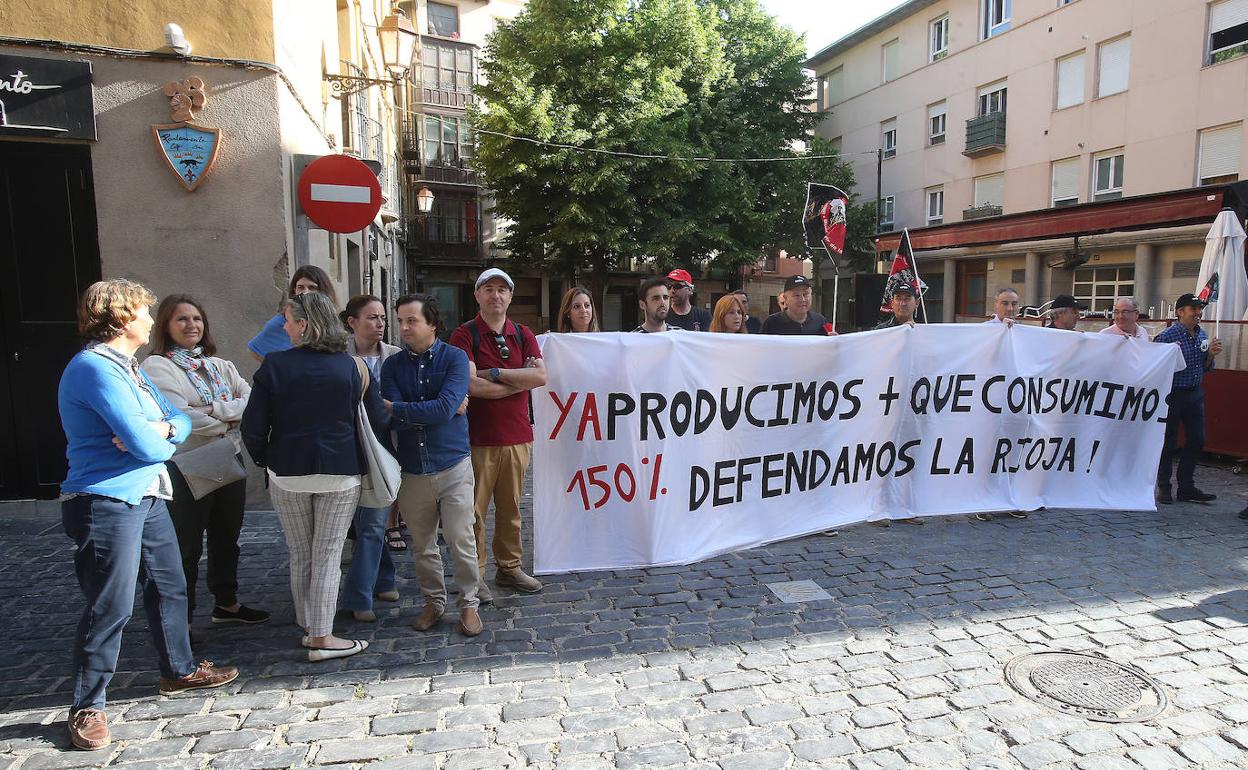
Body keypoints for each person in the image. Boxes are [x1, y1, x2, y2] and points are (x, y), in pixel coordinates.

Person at [59, 280, 239, 751]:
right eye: (143, 311)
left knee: (170, 583)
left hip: (149, 493)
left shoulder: (131, 369)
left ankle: (178, 671)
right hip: (105, 500)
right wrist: (156, 434)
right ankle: (87, 706)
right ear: (119, 319)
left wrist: (159, 429)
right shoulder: (95, 369)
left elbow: (174, 422)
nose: (149, 319)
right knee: (109, 603)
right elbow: (147, 443)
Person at [241, 292, 388, 661]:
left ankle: (310, 624)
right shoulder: (354, 367)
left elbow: (253, 427)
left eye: (288, 320)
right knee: (327, 555)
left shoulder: (274, 365)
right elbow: (379, 421)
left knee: (301, 553)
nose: (285, 326)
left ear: (304, 325)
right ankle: (322, 635)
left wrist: (266, 461)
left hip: (287, 472)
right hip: (340, 472)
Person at [142, 295, 268, 628]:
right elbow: (179, 416)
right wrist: (228, 419)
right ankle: (180, 619)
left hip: (227, 458)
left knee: (227, 537)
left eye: (196, 319)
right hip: (188, 465)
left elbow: (250, 401)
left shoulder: (220, 366)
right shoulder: (157, 366)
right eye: (181, 319)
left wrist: (212, 411)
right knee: (187, 544)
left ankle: (226, 603)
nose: (191, 325)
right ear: (166, 326)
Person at [383, 294, 483, 636]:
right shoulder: (392, 366)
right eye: (400, 320)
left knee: (461, 539)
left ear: (432, 324)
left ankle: (469, 603)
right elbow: (390, 420)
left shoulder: (455, 358)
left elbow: (439, 409)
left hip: (453, 464)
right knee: (423, 545)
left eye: (411, 320)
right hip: (412, 469)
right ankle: (433, 602)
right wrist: (433, 408)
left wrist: (404, 408)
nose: (404, 327)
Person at [448, 268, 547, 598]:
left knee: (511, 508)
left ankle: (509, 567)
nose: (496, 295)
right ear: (477, 295)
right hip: (478, 438)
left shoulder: (523, 334)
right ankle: (474, 575)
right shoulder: (464, 336)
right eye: (488, 289)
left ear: (510, 296)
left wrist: (496, 374)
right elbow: (470, 385)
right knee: (473, 511)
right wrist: (518, 382)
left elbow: (541, 377)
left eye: (502, 290)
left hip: (518, 436)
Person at [338, 295, 402, 622]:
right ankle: (386, 577)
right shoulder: (337, 356)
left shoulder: (395, 356)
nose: (380, 324)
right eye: (372, 318)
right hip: (347, 448)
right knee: (362, 524)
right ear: (352, 322)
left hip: (385, 448)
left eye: (382, 318)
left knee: (374, 523)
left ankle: (358, 597)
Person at [1153, 293, 1223, 505]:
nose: (1198, 313)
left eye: (1199, 309)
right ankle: (1164, 486)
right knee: (1168, 441)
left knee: (1197, 439)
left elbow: (1204, 367)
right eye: (1193, 309)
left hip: (1194, 393)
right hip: (1173, 395)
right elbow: (1155, 366)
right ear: (1180, 312)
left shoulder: (1202, 335)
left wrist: (1210, 354)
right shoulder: (1167, 336)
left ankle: (1186, 486)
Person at [247, 265, 338, 362]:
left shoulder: (332, 321)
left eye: (312, 288)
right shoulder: (282, 322)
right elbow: (255, 349)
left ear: (323, 291)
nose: (305, 292)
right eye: (300, 287)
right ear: (294, 290)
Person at [760, 275, 833, 335]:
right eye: (796, 295)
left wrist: (835, 341)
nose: (802, 299)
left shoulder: (820, 321)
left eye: (806, 294)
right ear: (785, 298)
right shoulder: (771, 323)